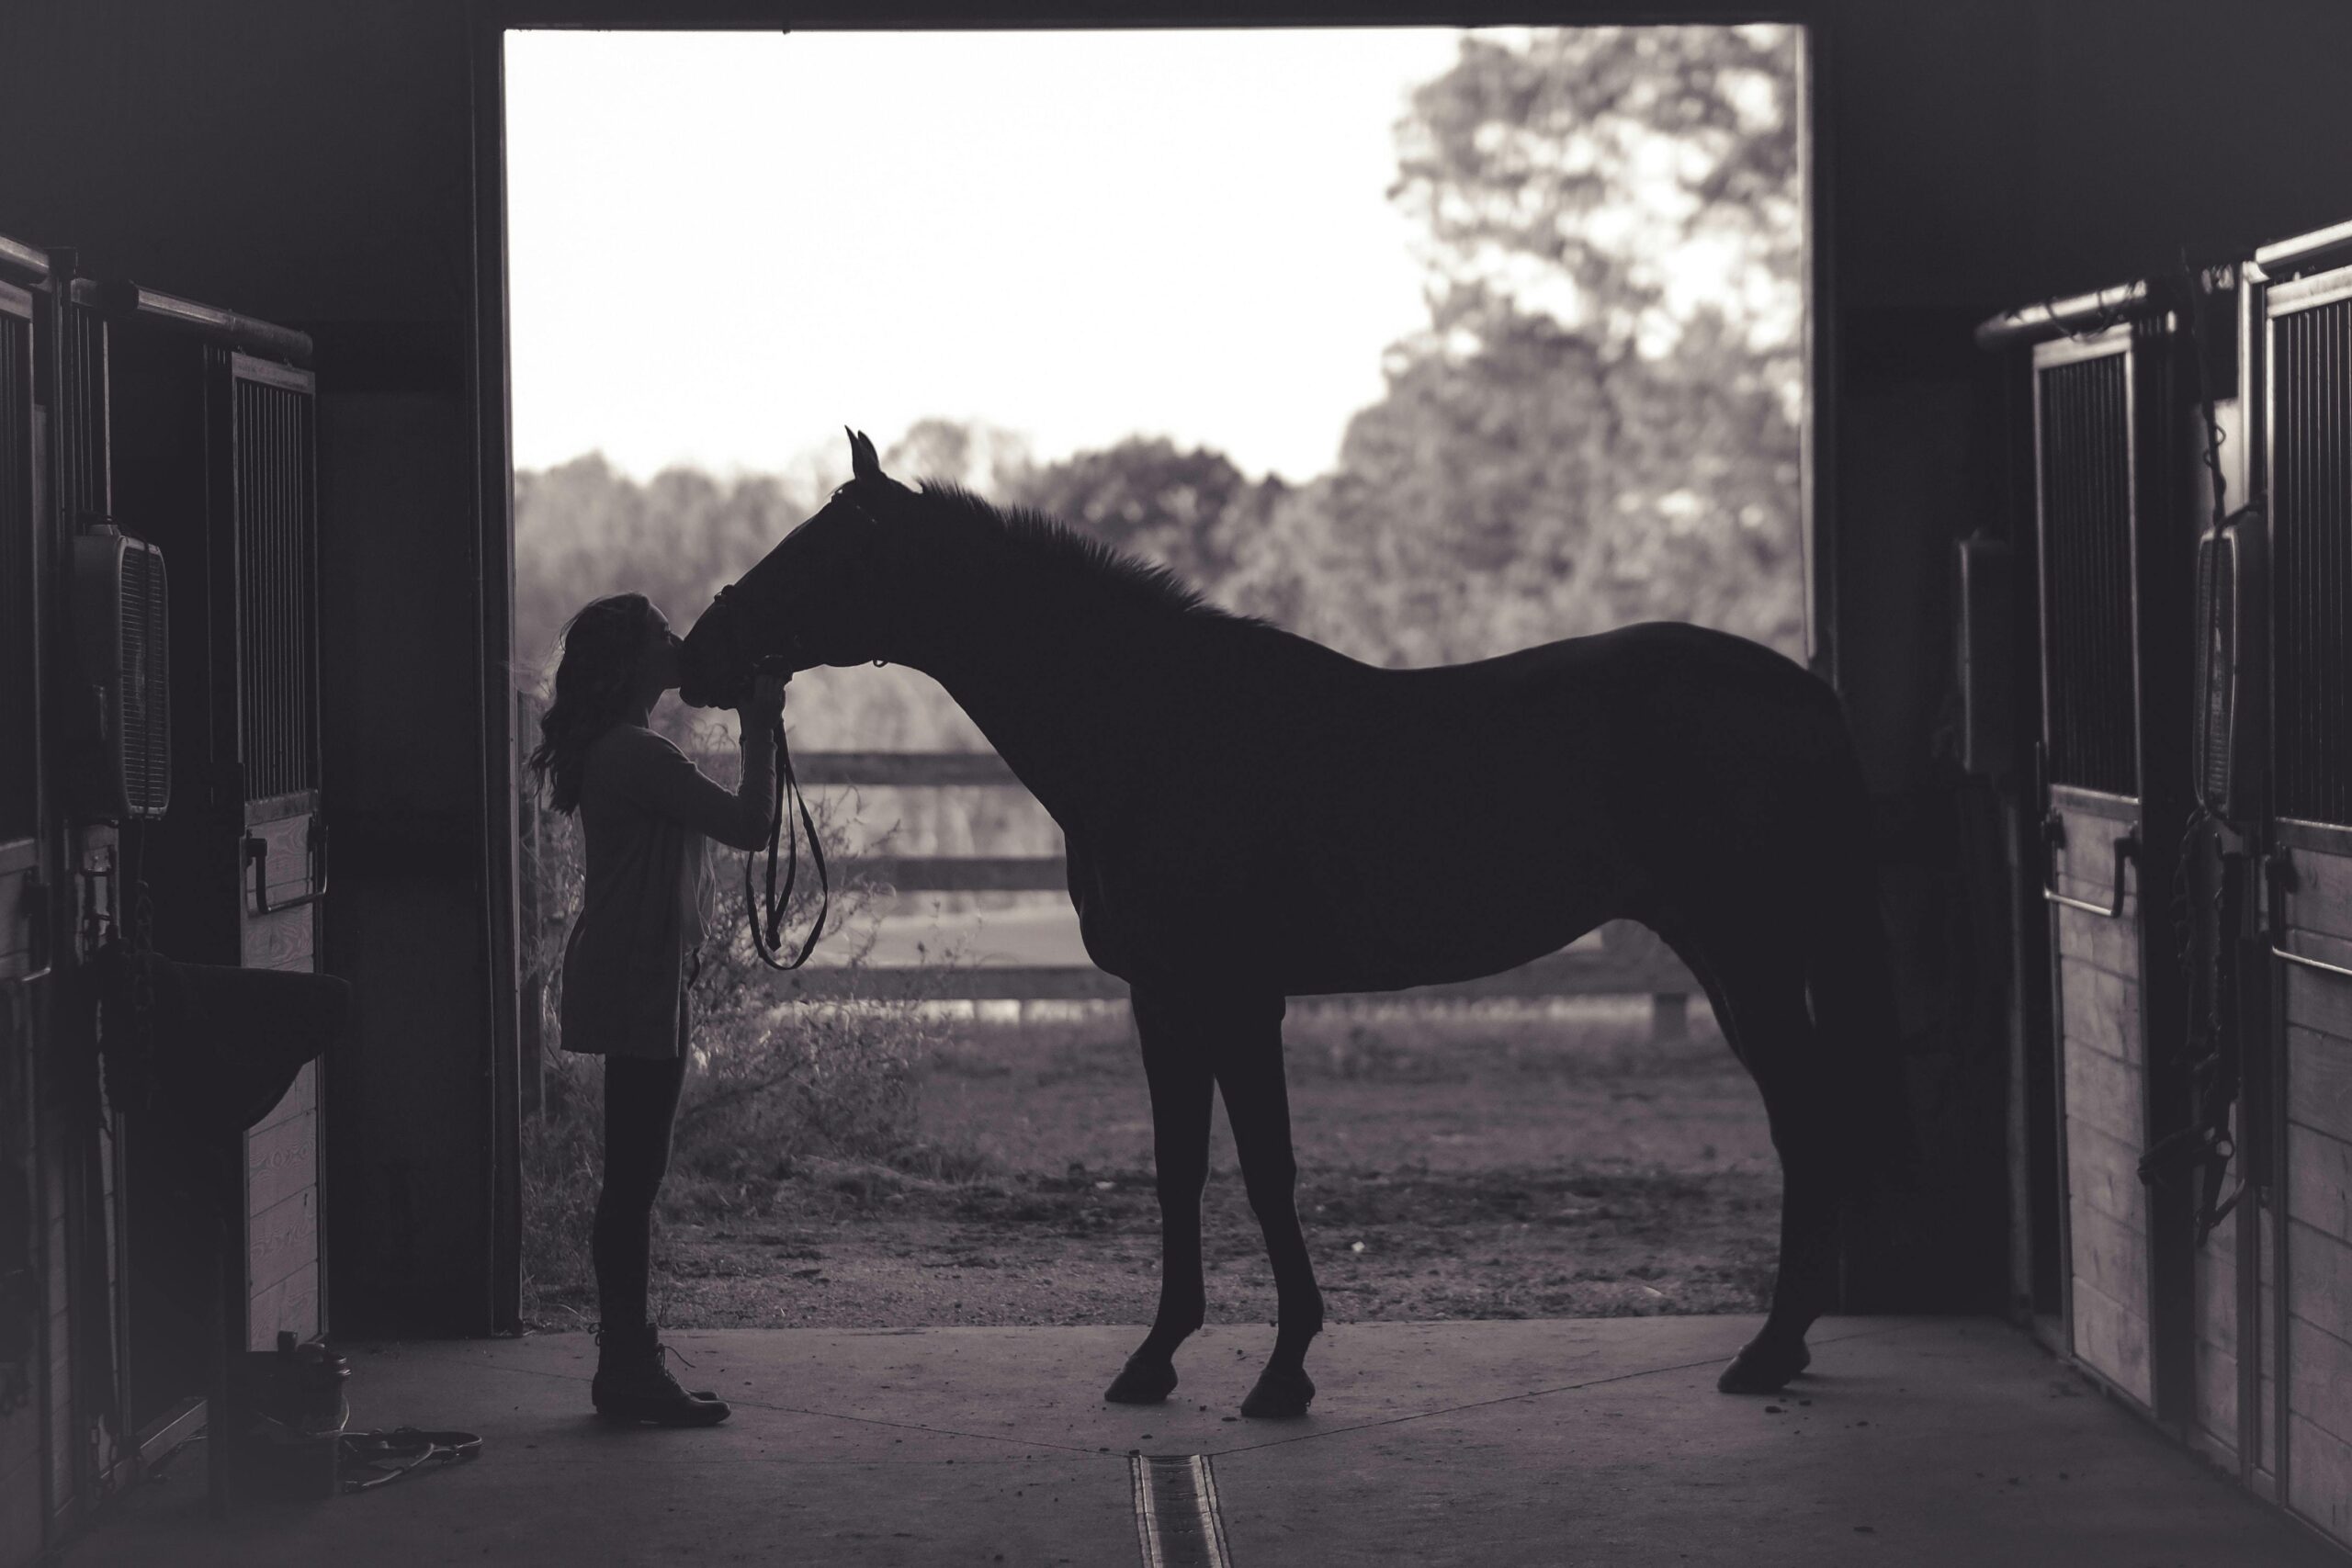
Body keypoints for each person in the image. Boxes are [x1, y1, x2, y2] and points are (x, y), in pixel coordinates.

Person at [526, 592, 784, 1426]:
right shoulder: (639, 754)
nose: (678, 642)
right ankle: (628, 1369)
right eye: (664, 634)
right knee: (634, 1182)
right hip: (638, 974)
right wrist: (761, 724)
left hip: (635, 969)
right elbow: (751, 824)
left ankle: (626, 1362)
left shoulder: (618, 748)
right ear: (637, 660)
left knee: (631, 1179)